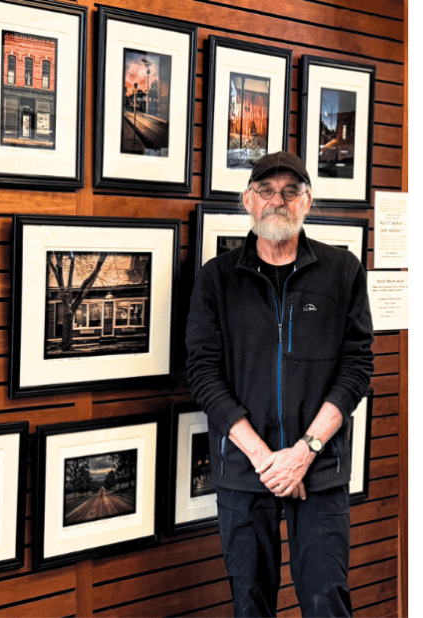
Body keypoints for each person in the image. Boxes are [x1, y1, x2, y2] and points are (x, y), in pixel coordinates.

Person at [185, 151, 374, 617]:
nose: (278, 200)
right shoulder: (217, 279)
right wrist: (265, 458)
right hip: (246, 472)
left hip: (320, 468)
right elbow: (203, 374)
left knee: (325, 600)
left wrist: (304, 451)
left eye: (291, 191)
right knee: (250, 605)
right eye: (266, 191)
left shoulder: (342, 271)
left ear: (307, 202)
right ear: (247, 201)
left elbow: (357, 367)